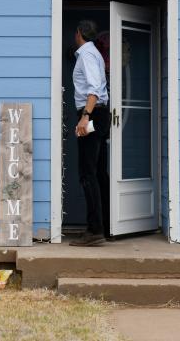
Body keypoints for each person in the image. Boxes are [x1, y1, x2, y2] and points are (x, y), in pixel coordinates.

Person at [70, 19, 110, 246]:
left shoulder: (86, 54)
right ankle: (103, 227)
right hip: (99, 114)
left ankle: (95, 230)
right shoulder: (92, 53)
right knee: (98, 173)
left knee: (88, 174)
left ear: (78, 33)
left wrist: (85, 117)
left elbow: (94, 88)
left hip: (92, 114)